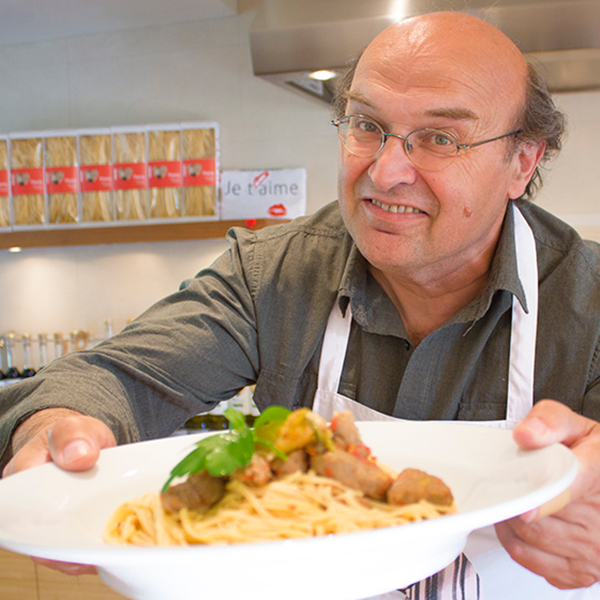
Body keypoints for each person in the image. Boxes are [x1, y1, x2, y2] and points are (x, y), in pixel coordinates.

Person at [1, 10, 600, 599]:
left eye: (440, 138)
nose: (386, 172)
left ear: (522, 162)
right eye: (366, 124)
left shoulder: (589, 300)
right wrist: (56, 429)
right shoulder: (272, 273)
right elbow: (114, 377)